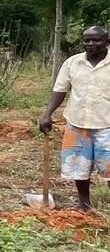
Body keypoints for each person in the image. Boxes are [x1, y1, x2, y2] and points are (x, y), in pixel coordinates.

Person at [39, 26, 110, 211]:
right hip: (77, 123)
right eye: (87, 40)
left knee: (109, 169)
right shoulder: (72, 63)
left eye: (96, 40)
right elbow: (60, 90)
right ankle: (84, 204)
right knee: (79, 167)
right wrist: (48, 113)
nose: (91, 43)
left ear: (107, 42)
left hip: (107, 125)